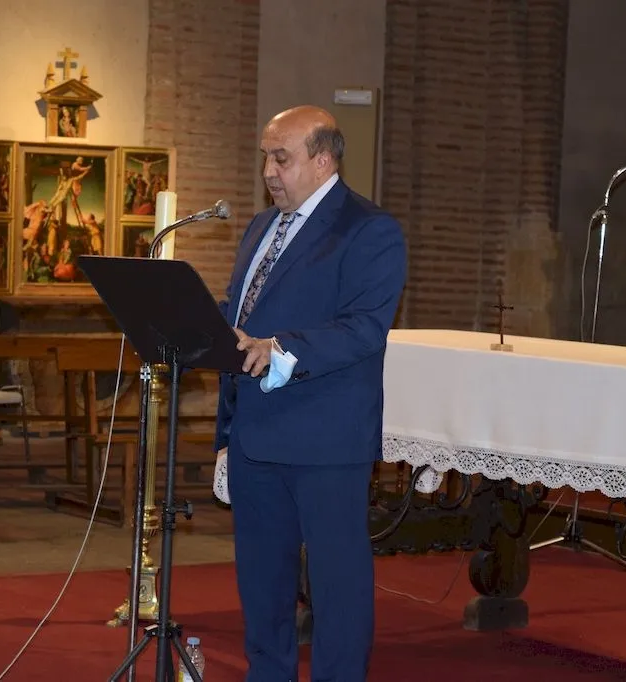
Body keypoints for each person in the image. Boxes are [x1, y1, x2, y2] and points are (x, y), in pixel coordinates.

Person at [214, 105, 407, 681]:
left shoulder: (369, 230)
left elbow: (365, 327)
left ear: (323, 159)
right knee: (263, 582)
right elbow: (240, 315)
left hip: (325, 437)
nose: (269, 171)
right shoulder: (259, 227)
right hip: (255, 434)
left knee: (336, 586)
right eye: (265, 158)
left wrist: (282, 349)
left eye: (282, 158)